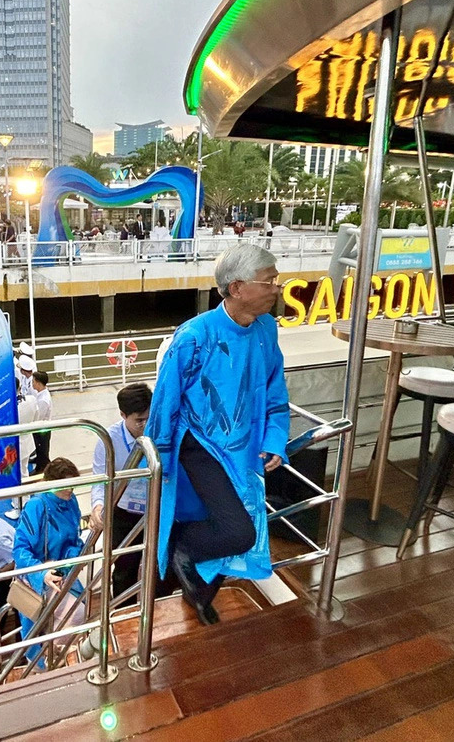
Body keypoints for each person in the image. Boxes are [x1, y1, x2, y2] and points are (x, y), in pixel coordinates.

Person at [146, 245, 289, 626]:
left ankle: (200, 598)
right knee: (239, 531)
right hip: (200, 444)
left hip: (246, 446)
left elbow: (275, 390)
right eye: (269, 280)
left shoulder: (266, 330)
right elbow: (165, 400)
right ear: (238, 287)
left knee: (241, 521)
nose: (277, 288)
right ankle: (183, 546)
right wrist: (158, 457)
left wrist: (275, 438)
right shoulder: (194, 336)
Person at [12, 458, 86, 666]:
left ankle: (63, 656)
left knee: (77, 613)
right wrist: (41, 573)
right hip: (36, 577)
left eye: (73, 485)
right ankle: (42, 665)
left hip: (62, 573)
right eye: (65, 486)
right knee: (38, 630)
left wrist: (74, 558)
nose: (70, 490)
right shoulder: (36, 506)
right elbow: (20, 549)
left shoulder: (70, 501)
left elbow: (74, 538)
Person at [89, 383, 156, 600]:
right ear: (122, 414)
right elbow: (100, 479)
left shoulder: (159, 432)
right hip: (124, 514)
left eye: (148, 418)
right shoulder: (108, 441)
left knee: (158, 567)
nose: (145, 426)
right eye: (139, 421)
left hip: (155, 510)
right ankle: (122, 614)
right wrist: (98, 505)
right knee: (124, 570)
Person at [30, 371, 52, 473]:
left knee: (42, 449)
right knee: (39, 448)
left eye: (33, 381)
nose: (32, 383)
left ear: (38, 383)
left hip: (42, 429)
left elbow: (39, 416)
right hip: (40, 427)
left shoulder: (43, 400)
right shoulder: (41, 395)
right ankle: (39, 461)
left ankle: (42, 468)